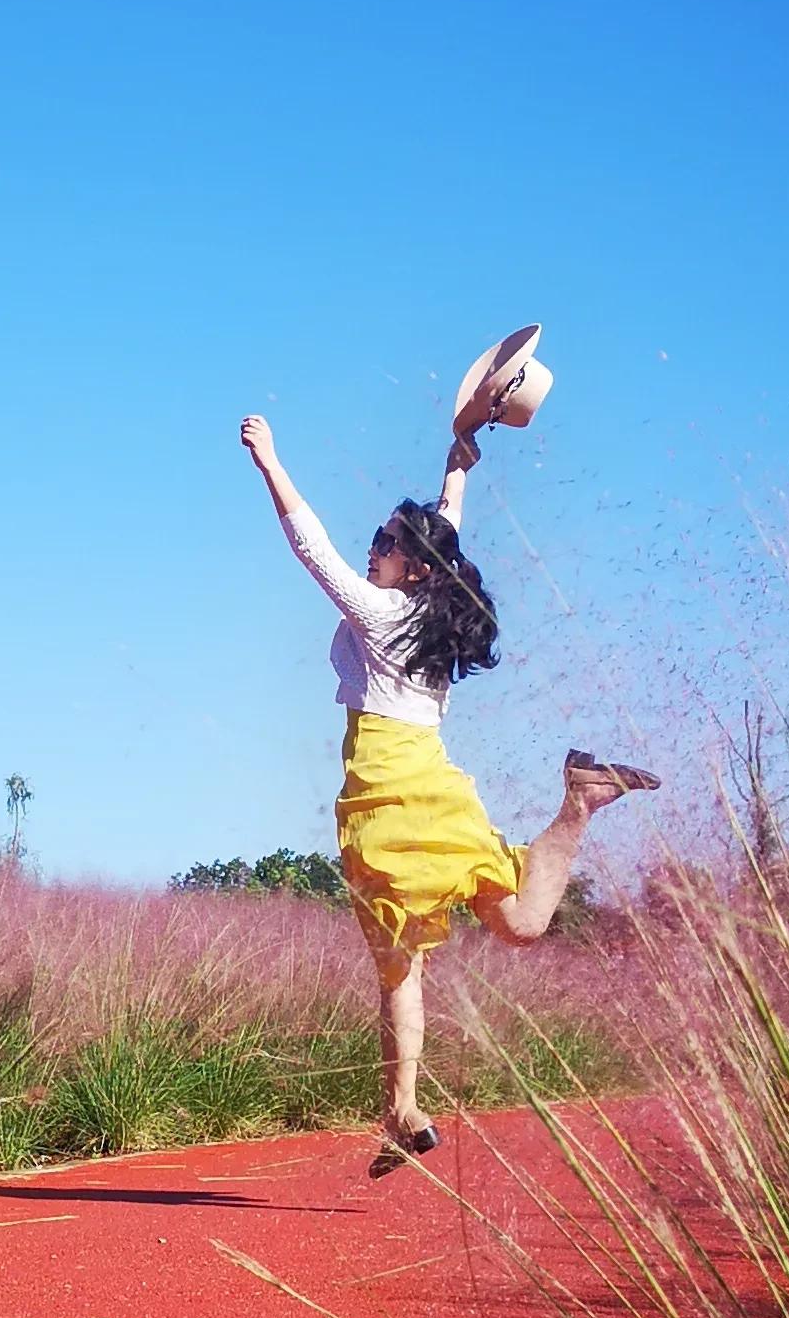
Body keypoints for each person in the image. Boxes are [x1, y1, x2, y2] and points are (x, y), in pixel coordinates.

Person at [239, 345, 656, 1174]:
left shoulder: (382, 612)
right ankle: (578, 802)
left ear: (412, 567)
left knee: (398, 966)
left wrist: (270, 459)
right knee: (524, 924)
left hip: (389, 801)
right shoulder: (435, 610)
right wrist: (460, 460)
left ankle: (401, 1107)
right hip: (441, 788)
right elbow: (446, 524)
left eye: (386, 543)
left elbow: (308, 545)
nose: (372, 550)